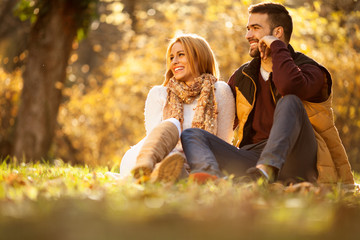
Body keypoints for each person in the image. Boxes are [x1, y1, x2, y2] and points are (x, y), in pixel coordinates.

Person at [180, 2, 354, 185]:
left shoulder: (310, 70)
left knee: (290, 102)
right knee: (193, 134)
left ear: (277, 32)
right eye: (248, 29)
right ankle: (213, 179)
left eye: (255, 28)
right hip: (252, 157)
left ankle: (265, 171)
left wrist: (277, 47)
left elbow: (289, 86)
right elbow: (221, 121)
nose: (248, 35)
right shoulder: (243, 77)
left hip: (298, 156)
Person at [119, 33, 235, 183]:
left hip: (201, 162)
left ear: (199, 56)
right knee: (171, 125)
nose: (174, 61)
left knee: (181, 164)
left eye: (181, 55)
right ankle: (152, 169)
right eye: (172, 57)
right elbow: (154, 139)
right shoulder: (159, 93)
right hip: (160, 156)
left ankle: (170, 175)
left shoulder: (220, 91)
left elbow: (223, 143)